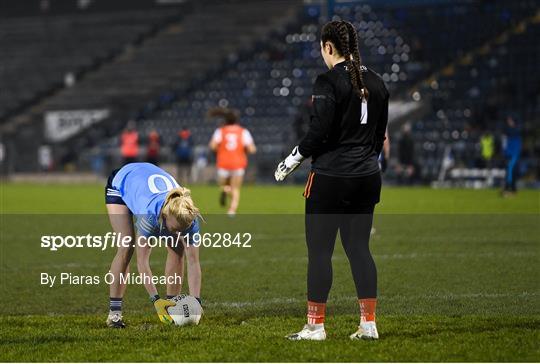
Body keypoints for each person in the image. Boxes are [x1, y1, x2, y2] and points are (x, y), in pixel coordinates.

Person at [275, 20, 388, 341]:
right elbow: (380, 137)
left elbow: (319, 132)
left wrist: (292, 158)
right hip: (367, 177)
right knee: (359, 249)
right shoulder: (378, 82)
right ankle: (368, 325)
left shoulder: (327, 81)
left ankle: (315, 326)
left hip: (331, 179)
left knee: (320, 252)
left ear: (328, 47)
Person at [104, 162, 202, 328]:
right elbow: (142, 262)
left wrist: (197, 302)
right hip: (123, 181)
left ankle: (172, 307)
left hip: (145, 178)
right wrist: (156, 300)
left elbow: (193, 261)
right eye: (176, 229)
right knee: (126, 246)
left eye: (182, 230)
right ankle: (114, 314)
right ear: (164, 217)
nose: (179, 234)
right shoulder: (150, 216)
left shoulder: (189, 218)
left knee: (177, 249)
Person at [208, 107, 256, 216]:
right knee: (236, 189)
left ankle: (225, 190)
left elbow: (212, 146)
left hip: (223, 163)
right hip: (238, 163)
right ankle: (232, 211)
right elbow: (252, 149)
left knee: (224, 186)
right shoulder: (243, 132)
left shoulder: (220, 131)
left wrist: (221, 150)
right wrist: (243, 150)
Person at [502, 114, 522, 195]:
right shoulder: (509, 131)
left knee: (510, 170)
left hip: (513, 154)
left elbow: (515, 144)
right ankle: (511, 188)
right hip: (510, 153)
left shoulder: (515, 132)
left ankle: (510, 188)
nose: (509, 122)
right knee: (509, 170)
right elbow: (505, 144)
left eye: (510, 120)